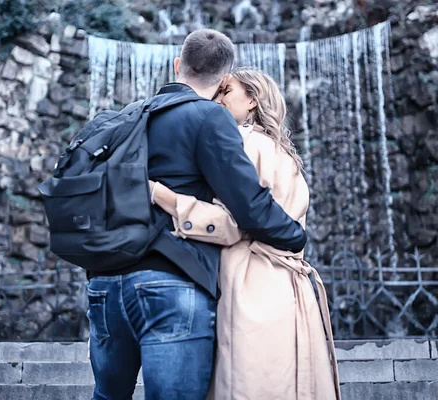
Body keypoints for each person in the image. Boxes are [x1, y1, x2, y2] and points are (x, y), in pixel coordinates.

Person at [86, 30, 308, 400]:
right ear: (224, 79)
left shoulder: (126, 117)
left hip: (106, 283)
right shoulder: (209, 117)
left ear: (177, 65)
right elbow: (249, 205)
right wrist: (295, 236)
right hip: (169, 280)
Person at [150, 69, 341, 399]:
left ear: (252, 100)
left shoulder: (243, 141)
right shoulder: (280, 150)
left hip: (253, 285)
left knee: (247, 386)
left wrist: (161, 195)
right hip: (285, 288)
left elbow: (233, 224)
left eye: (227, 91)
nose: (217, 98)